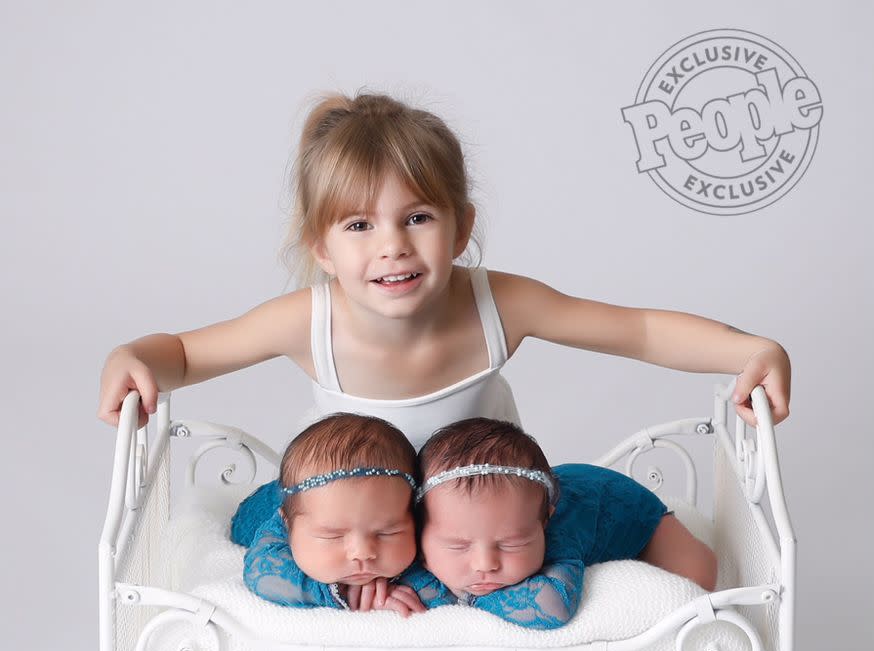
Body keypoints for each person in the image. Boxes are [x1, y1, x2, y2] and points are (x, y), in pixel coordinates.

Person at [97, 90, 791, 446]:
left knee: (565, 518)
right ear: (321, 249)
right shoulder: (307, 323)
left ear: (462, 228)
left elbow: (637, 330)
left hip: (481, 510)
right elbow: (187, 354)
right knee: (307, 525)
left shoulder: (500, 304)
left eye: (418, 218)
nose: (392, 245)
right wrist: (133, 356)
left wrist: (751, 350)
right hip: (370, 508)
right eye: (359, 225)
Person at [351, 418, 716, 630]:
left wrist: (457, 597)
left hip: (618, 502)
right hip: (534, 493)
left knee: (697, 577)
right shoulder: (416, 536)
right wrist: (372, 592)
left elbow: (551, 606)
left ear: (544, 522)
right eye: (458, 546)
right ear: (420, 528)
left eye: (511, 544)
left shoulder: (555, 542)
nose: (485, 564)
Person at [240, 413, 424, 617]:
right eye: (333, 536)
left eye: (387, 533)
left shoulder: (408, 517)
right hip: (259, 507)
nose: (362, 553)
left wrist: (394, 590)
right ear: (288, 525)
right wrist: (345, 593)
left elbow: (445, 583)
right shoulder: (281, 528)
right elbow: (262, 575)